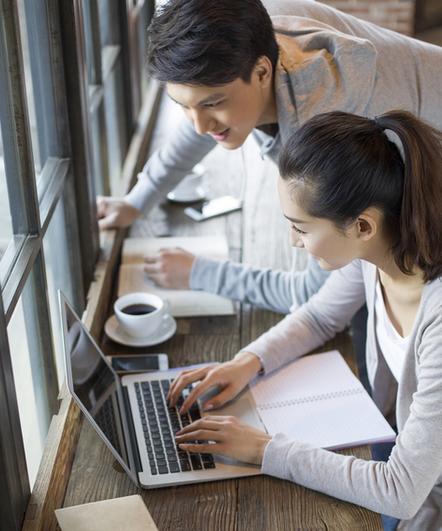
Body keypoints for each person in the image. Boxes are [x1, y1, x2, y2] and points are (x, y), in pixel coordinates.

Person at [167, 110, 442, 531]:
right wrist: (248, 361)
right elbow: (318, 316)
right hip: (404, 449)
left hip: (427, 508)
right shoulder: (385, 246)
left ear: (362, 225)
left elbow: (401, 490)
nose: (294, 242)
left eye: (300, 227)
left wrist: (263, 449)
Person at [97, 0, 442, 316]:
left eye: (213, 104)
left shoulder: (325, 134)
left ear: (262, 73)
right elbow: (201, 111)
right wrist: (136, 202)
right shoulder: (252, 30)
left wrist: (200, 273)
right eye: (184, 106)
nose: (200, 126)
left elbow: (311, 297)